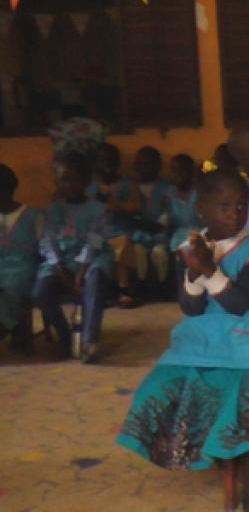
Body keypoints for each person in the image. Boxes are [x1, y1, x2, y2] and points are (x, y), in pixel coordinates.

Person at [117, 169, 249, 512]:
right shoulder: (191, 248)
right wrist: (194, 272)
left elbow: (240, 304)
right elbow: (190, 307)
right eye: (224, 206)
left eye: (241, 205)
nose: (235, 213)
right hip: (201, 338)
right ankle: (208, 449)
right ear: (201, 210)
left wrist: (210, 270)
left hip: (247, 337)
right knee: (161, 387)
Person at [34, 153, 113, 361]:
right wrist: (61, 269)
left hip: (92, 258)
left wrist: (82, 269)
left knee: (95, 280)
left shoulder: (99, 209)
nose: (70, 185)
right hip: (60, 260)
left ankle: (90, 339)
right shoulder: (51, 211)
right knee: (41, 292)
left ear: (86, 181)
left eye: (76, 179)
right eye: (64, 180)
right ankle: (65, 335)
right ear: (57, 181)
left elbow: (94, 241)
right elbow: (47, 241)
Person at [89, 142, 141, 307]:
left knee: (122, 248)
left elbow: (135, 207)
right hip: (97, 232)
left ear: (118, 162)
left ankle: (124, 289)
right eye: (103, 160)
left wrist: (114, 203)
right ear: (95, 163)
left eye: (111, 160)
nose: (108, 164)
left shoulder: (128, 184)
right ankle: (98, 289)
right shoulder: (90, 186)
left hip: (120, 230)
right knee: (92, 248)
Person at [0, 164, 42, 352]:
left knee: (11, 290)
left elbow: (45, 247)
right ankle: (15, 327)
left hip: (22, 268)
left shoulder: (33, 216)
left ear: (9, 189)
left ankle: (7, 326)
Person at [131, 146, 173, 297]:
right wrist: (139, 222)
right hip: (140, 231)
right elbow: (130, 210)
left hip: (160, 231)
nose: (145, 168)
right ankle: (141, 285)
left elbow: (170, 210)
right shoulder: (133, 187)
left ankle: (163, 285)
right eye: (141, 163)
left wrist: (160, 223)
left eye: (149, 163)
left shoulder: (166, 187)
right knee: (138, 250)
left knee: (159, 252)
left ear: (158, 166)